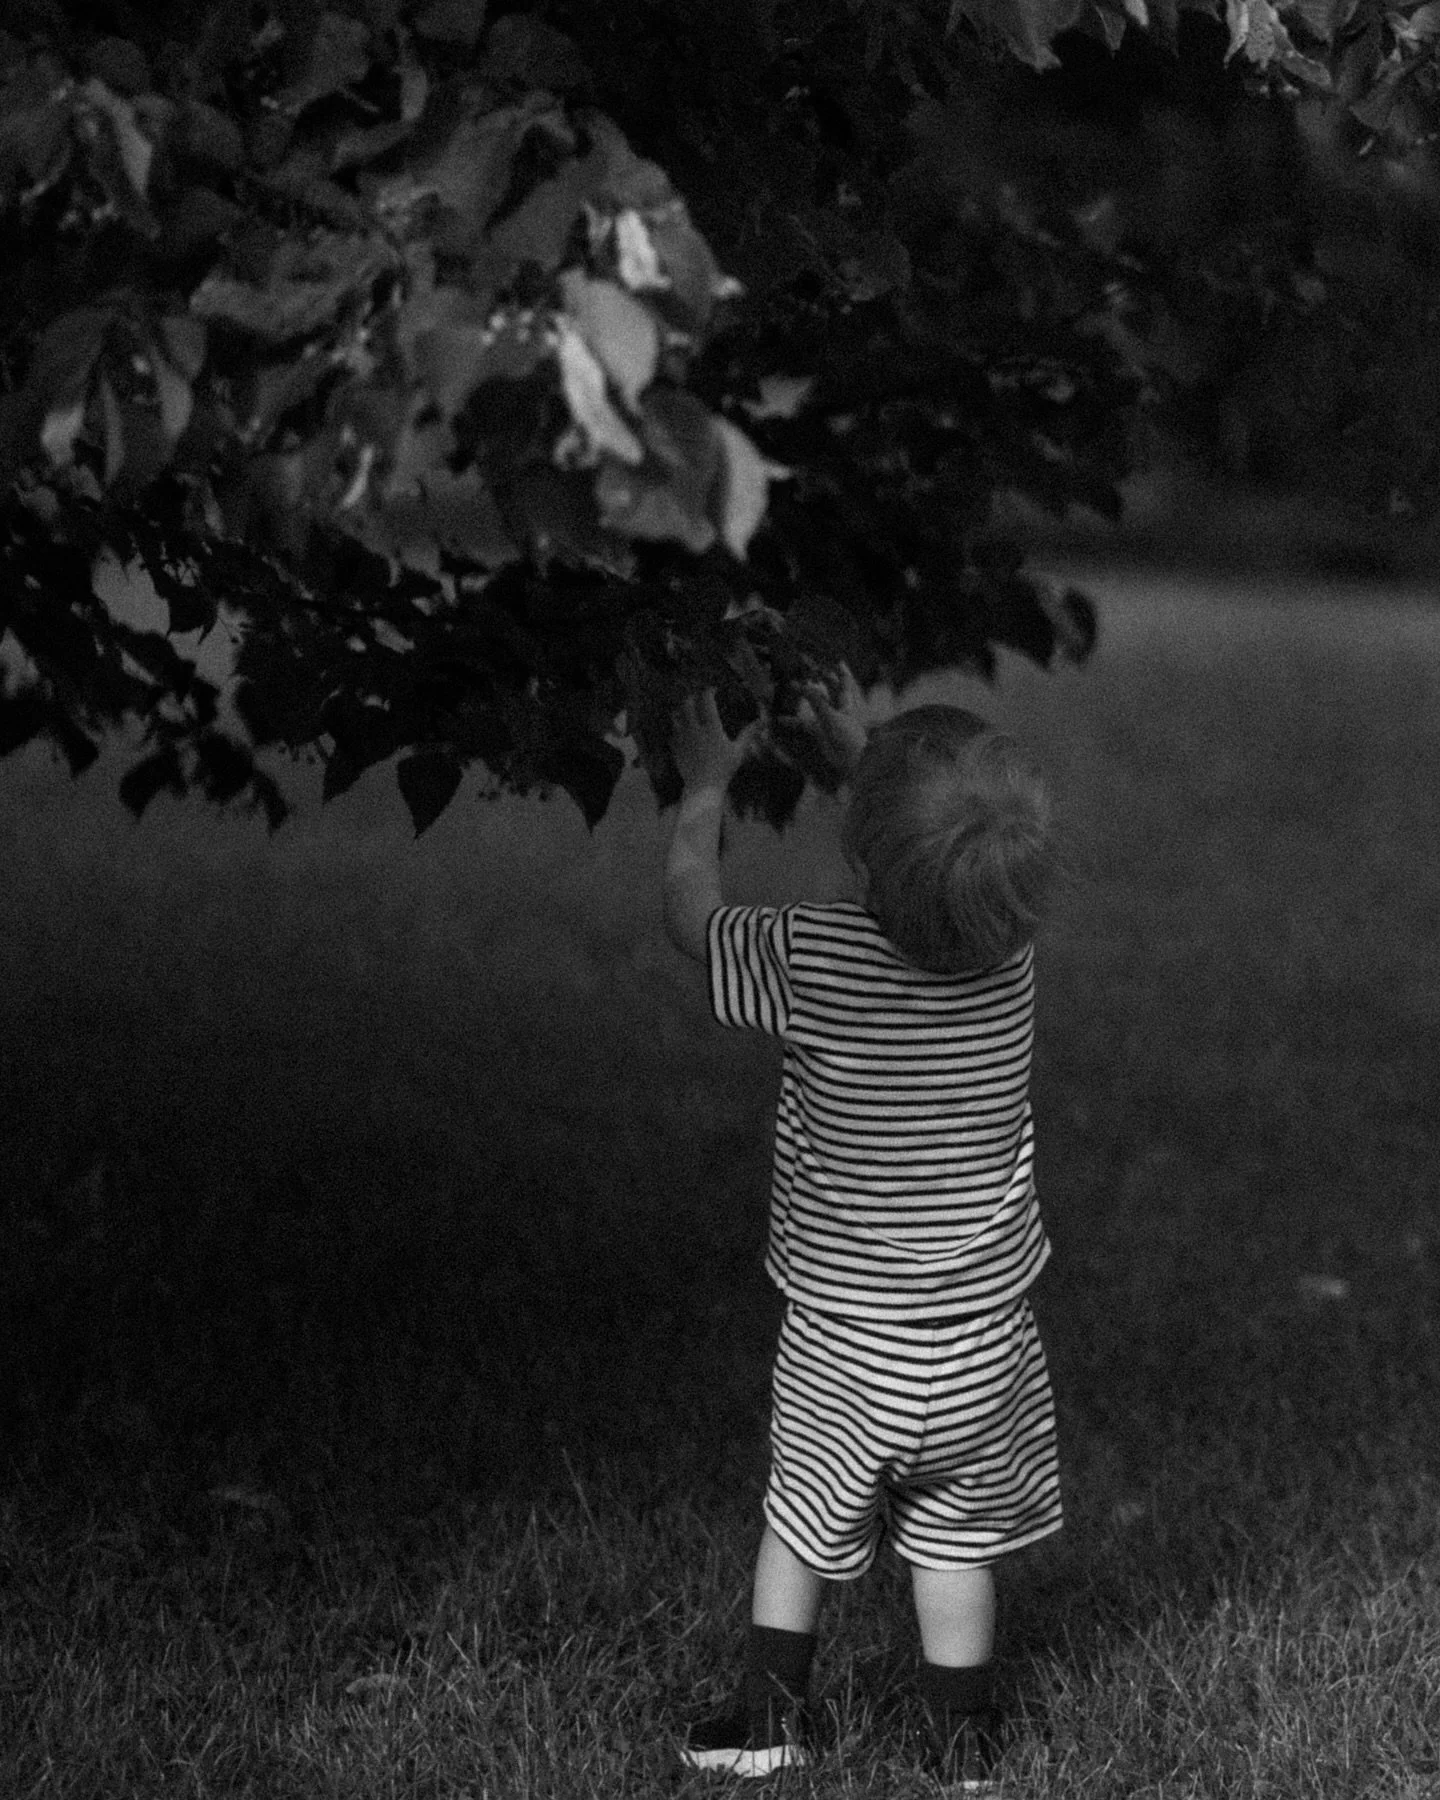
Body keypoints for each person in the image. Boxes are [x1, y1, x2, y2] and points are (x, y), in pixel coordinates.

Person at [662, 667, 1064, 1789]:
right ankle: (962, 1748)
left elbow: (692, 920)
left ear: (860, 852)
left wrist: (705, 790)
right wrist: (863, 761)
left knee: (799, 1522)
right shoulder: (1007, 959)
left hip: (847, 1340)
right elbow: (932, 852)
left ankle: (769, 1721)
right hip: (981, 1341)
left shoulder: (812, 956)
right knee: (954, 1543)